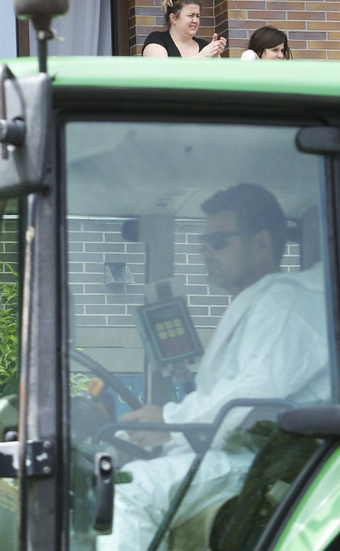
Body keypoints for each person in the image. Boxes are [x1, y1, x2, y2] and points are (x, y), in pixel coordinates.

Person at [103, 185, 328, 551]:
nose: (205, 251)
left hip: (269, 463)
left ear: (261, 242)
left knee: (129, 492)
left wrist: (169, 424)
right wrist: (159, 435)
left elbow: (252, 391)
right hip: (243, 452)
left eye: (219, 241)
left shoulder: (286, 300)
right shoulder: (259, 302)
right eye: (203, 241)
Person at [141, 0, 226, 58]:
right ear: (173, 18)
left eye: (198, 16)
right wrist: (200, 57)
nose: (195, 20)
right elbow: (160, 74)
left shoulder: (205, 47)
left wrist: (215, 56)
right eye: (190, 15)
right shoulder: (157, 39)